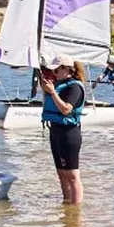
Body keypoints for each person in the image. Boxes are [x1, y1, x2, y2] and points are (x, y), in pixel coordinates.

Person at [40, 56, 87, 205]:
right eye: (52, 69)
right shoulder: (58, 84)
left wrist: (53, 93)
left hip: (69, 133)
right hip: (55, 131)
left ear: (67, 69)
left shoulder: (75, 87)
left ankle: (76, 210)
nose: (54, 73)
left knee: (72, 175)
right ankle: (67, 204)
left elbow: (66, 109)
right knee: (61, 173)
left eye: (57, 69)